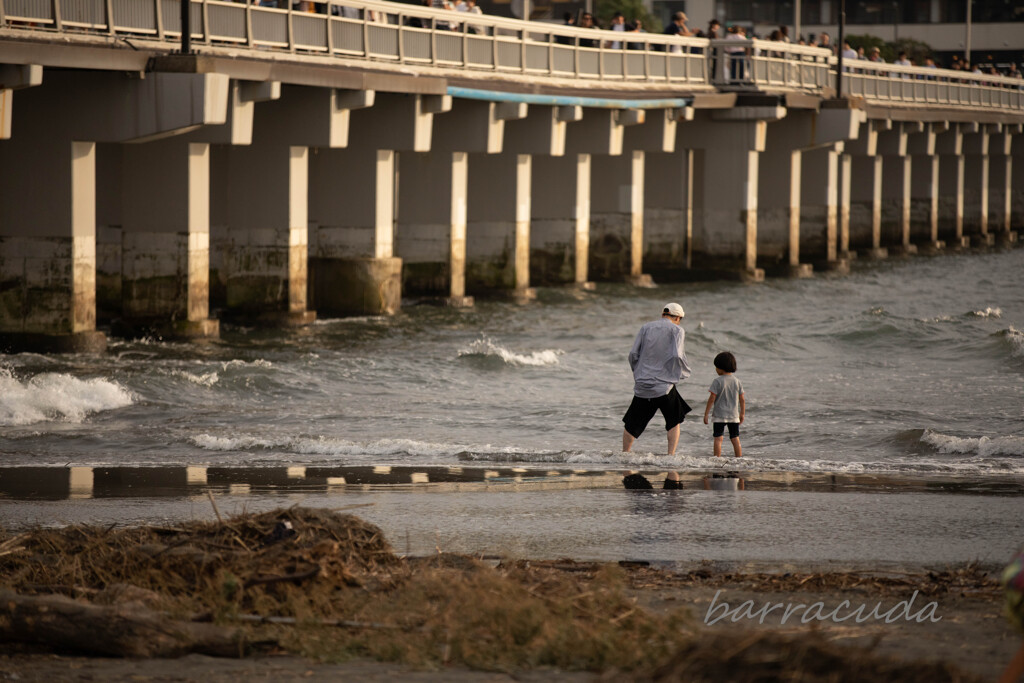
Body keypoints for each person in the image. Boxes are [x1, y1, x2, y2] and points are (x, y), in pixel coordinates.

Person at [621, 303, 692, 456]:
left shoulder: (646, 327)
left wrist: (639, 374)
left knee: (632, 424)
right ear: (678, 318)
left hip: (642, 386)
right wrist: (684, 373)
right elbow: (677, 355)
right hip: (664, 386)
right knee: (674, 421)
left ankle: (624, 454)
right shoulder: (678, 330)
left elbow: (633, 354)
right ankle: (670, 455)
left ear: (663, 314)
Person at [702, 351, 745, 458]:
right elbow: (742, 399)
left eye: (716, 367)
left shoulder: (717, 381)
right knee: (735, 438)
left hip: (719, 416)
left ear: (721, 368)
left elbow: (712, 399)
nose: (716, 369)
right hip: (733, 415)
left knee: (718, 438)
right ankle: (739, 459)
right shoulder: (737, 381)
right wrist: (742, 414)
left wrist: (706, 414)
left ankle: (717, 459)